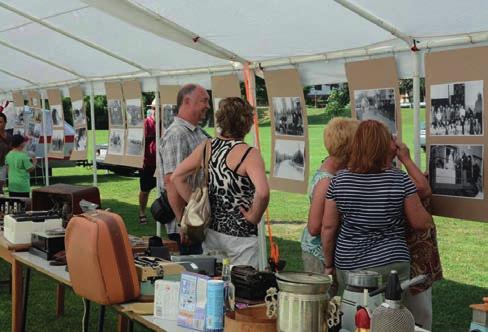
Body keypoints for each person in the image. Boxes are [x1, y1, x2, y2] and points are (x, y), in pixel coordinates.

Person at [322, 120, 433, 295]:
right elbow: (421, 223)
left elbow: (328, 227)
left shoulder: (339, 180)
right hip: (391, 261)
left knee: (354, 316)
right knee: (389, 319)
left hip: (349, 262)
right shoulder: (400, 179)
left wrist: (328, 265)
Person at [171, 97, 269, 268]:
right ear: (247, 122)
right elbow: (263, 192)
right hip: (241, 236)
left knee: (214, 285)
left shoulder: (207, 147)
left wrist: (195, 203)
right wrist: (254, 216)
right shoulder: (249, 154)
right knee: (242, 287)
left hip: (212, 232)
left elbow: (176, 177)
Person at [300, 118, 359, 273]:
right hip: (318, 255)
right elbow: (314, 227)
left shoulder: (332, 172)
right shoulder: (327, 181)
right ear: (350, 148)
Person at [395, 142, 442, 331]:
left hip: (404, 254)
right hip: (410, 252)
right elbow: (423, 190)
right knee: (417, 313)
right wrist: (405, 158)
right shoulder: (394, 177)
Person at [160, 84, 210, 254]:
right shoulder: (177, 134)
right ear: (187, 101)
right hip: (186, 227)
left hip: (195, 221)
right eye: (204, 101)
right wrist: (184, 223)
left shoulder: (195, 132)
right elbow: (171, 181)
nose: (208, 106)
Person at [138, 99, 157, 224]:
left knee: (166, 189)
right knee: (145, 190)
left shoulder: (166, 123)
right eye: (155, 108)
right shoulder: (146, 123)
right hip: (148, 163)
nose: (156, 111)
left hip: (162, 163)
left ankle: (163, 213)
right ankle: (142, 212)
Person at [0, 113, 12, 194]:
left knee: (1, 185)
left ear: (5, 123)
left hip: (4, 164)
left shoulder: (9, 136)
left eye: (0, 122)